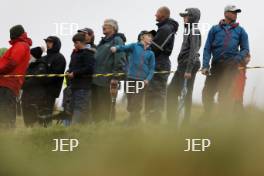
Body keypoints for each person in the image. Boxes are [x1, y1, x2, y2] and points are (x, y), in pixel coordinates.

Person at [201, 5, 249, 117]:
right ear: (226, 13)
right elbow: (207, 48)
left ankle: (222, 120)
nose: (235, 14)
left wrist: (236, 59)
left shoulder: (241, 31)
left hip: (231, 67)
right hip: (215, 65)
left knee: (224, 94)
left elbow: (245, 49)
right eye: (233, 12)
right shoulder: (214, 29)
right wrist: (205, 65)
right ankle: (207, 115)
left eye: (236, 12)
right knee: (207, 93)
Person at [111, 30, 156, 124]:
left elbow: (152, 69)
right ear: (142, 37)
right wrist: (116, 48)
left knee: (136, 102)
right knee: (130, 104)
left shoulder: (151, 53)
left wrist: (147, 79)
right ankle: (134, 120)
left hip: (142, 81)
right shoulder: (134, 46)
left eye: (151, 37)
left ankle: (134, 123)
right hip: (130, 78)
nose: (151, 38)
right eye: (149, 36)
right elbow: (123, 47)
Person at [167, 8, 201, 125]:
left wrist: (188, 69)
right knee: (171, 91)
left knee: (186, 93)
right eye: (183, 16)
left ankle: (184, 124)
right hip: (183, 64)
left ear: (192, 17)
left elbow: (193, 51)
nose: (184, 18)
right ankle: (172, 121)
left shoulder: (194, 31)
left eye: (186, 16)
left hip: (188, 65)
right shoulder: (188, 30)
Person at [145, 6, 179, 123]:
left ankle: (155, 120)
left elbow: (157, 47)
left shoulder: (166, 28)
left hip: (160, 62)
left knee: (157, 92)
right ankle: (151, 119)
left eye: (157, 13)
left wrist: (146, 50)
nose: (155, 15)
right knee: (151, 91)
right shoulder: (164, 28)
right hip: (157, 62)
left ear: (163, 15)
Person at [92, 19, 127, 122]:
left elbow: (120, 59)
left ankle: (107, 129)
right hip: (97, 80)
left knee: (106, 107)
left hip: (108, 80)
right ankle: (97, 129)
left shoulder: (117, 40)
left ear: (113, 28)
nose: (103, 26)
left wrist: (116, 77)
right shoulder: (102, 42)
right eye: (103, 25)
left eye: (106, 25)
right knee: (97, 107)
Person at [0, 25, 32, 128]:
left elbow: (12, 63)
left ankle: (8, 136)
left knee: (6, 112)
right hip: (6, 82)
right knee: (4, 111)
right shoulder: (19, 45)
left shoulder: (21, 45)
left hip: (8, 83)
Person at [66, 33, 95, 124]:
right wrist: (69, 71)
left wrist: (75, 73)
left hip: (84, 86)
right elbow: (71, 66)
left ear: (80, 42)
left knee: (80, 107)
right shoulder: (74, 53)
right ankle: (81, 127)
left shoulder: (88, 53)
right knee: (73, 107)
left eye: (75, 43)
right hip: (73, 85)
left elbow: (90, 68)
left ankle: (75, 127)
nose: (74, 45)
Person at [41, 36, 66, 124]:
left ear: (56, 44)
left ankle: (47, 130)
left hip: (51, 91)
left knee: (47, 112)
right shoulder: (44, 57)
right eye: (47, 42)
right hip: (40, 90)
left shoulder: (60, 58)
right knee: (39, 112)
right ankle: (38, 131)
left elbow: (55, 75)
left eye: (50, 42)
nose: (47, 44)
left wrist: (42, 80)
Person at [22, 46, 47, 127]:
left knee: (35, 118)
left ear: (34, 56)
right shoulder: (28, 66)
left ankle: (36, 133)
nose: (28, 57)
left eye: (30, 55)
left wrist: (23, 83)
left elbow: (35, 79)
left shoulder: (41, 66)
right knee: (27, 117)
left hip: (36, 95)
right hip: (26, 95)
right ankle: (28, 130)